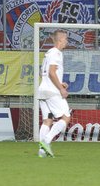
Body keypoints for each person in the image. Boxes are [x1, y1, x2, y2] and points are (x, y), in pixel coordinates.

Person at [36, 30, 71, 158]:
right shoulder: (56, 53)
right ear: (60, 40)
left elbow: (42, 73)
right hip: (52, 92)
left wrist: (60, 83)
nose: (67, 42)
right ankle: (47, 140)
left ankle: (42, 151)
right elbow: (51, 72)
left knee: (47, 120)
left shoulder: (48, 53)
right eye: (66, 39)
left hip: (42, 90)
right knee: (66, 117)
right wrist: (60, 89)